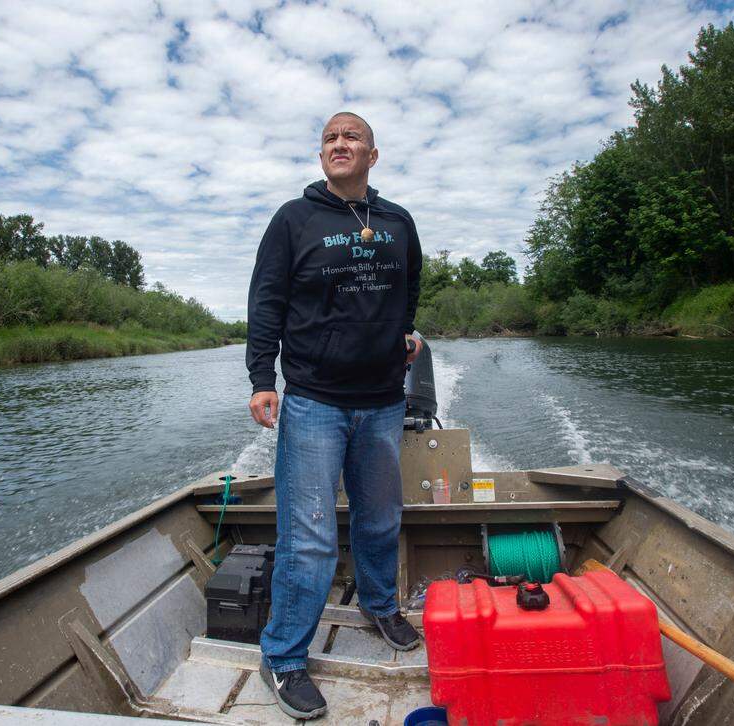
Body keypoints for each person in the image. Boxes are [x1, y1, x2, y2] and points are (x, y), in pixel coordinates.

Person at [245, 111, 423, 720]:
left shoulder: (398, 222)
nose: (339, 144)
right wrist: (260, 380)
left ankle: (379, 604)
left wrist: (405, 332)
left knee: (380, 519)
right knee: (311, 536)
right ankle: (285, 655)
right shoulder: (293, 219)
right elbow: (266, 298)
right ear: (322, 155)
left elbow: (410, 287)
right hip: (314, 400)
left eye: (351, 137)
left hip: (382, 401)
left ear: (373, 155)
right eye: (329, 138)